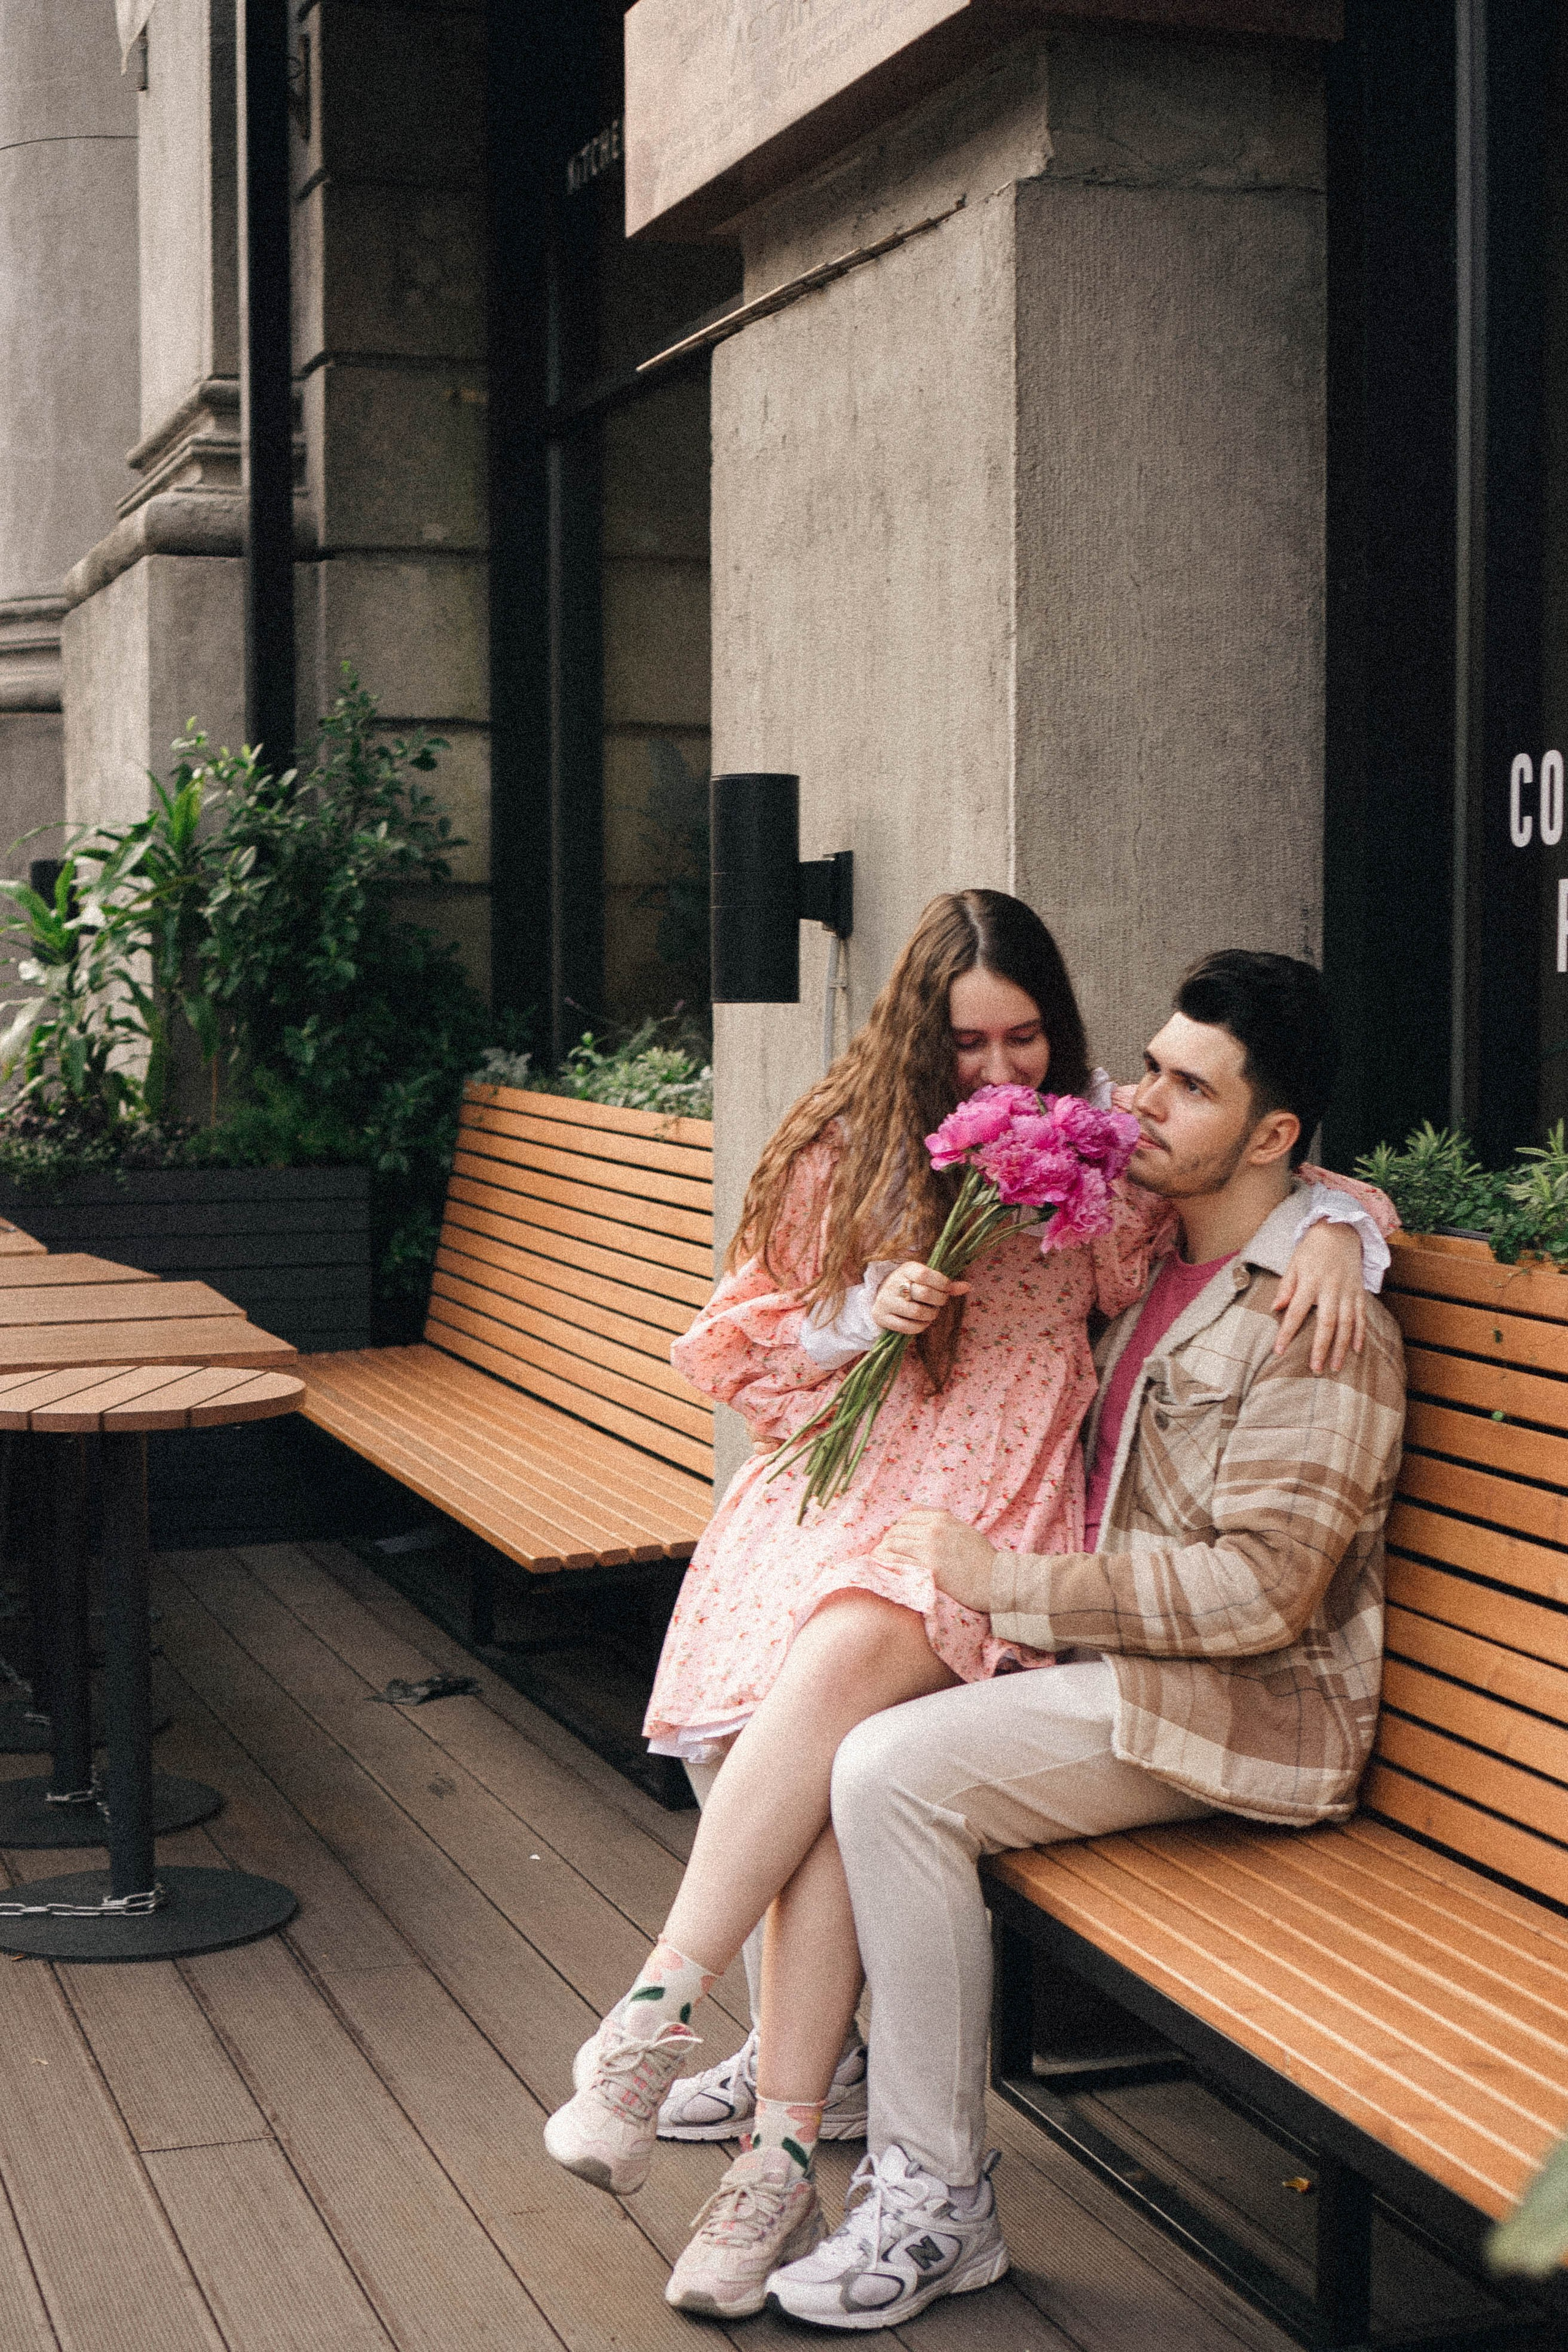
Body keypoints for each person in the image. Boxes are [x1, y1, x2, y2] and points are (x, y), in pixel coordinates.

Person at [542, 902, 1390, 2321]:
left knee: (852, 1731)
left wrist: (1338, 1227)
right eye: (967, 1045)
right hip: (889, 1491)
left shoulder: (1153, 1200)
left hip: (1037, 1545)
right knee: (794, 1743)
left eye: (1026, 1039)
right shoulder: (880, 1150)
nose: (1016, 1078)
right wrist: (863, 1309)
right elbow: (756, 1327)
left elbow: (1284, 1183)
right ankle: (778, 2138)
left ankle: (684, 2049)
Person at [764, 949, 1408, 2331]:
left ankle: (937, 2197)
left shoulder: (1314, 1319)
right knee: (826, 1709)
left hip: (1243, 1711)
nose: (1140, 1101)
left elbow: (1264, 1593)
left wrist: (1007, 1585)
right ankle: (802, 2065)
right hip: (1115, 1682)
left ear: (1273, 1137)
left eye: (1189, 1087)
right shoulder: (1151, 1261)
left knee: (890, 1773)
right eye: (1150, 1067)